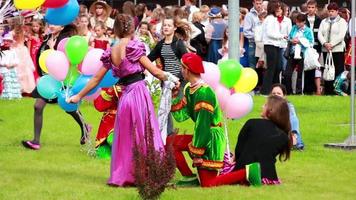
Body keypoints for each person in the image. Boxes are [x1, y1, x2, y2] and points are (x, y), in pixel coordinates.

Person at [68, 14, 179, 186]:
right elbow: (155, 72)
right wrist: (172, 79)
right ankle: (150, 173)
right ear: (131, 28)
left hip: (125, 97)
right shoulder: (134, 47)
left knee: (126, 139)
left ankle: (127, 175)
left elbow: (96, 79)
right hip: (138, 94)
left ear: (117, 30)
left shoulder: (111, 50)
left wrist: (78, 96)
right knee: (145, 134)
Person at [171, 52, 262, 187]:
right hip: (203, 136)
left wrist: (197, 152)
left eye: (182, 67)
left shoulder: (204, 93)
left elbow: (203, 125)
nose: (181, 70)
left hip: (211, 139)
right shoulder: (190, 89)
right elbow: (181, 116)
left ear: (187, 70)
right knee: (171, 143)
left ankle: (248, 172)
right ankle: (189, 177)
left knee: (209, 183)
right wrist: (174, 96)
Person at [22, 24, 91, 150]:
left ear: (62, 25)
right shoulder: (48, 37)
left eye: (56, 24)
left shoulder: (65, 39)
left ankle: (84, 126)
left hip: (62, 78)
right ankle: (36, 141)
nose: (52, 26)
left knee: (69, 107)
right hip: (49, 79)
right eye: (50, 23)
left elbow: (65, 60)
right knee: (38, 106)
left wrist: (53, 48)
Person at [232, 95, 292, 184]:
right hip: (268, 175)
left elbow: (239, 150)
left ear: (271, 110)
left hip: (242, 172)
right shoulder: (283, 137)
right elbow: (267, 155)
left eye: (265, 105)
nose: (262, 106)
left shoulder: (251, 123)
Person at [318, 2, 348, 95]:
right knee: (327, 70)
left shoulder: (342, 22)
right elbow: (320, 34)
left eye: (332, 11)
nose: (330, 13)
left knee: (338, 70)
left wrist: (332, 44)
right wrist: (325, 43)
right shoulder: (324, 21)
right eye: (329, 11)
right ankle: (328, 92)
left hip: (337, 50)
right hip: (326, 50)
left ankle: (337, 91)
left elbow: (341, 35)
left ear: (337, 11)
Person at [283, 13, 314, 95]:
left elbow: (311, 42)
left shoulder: (308, 30)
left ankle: (299, 92)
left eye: (300, 22)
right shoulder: (294, 28)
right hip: (292, 53)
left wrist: (300, 41)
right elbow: (290, 37)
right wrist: (290, 39)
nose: (298, 24)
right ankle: (288, 92)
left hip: (302, 54)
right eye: (297, 22)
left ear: (304, 22)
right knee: (287, 73)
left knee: (300, 75)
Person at [271, 83, 304, 150]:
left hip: (287, 132)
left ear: (284, 96)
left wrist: (294, 133)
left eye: (278, 93)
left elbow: (293, 119)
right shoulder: (267, 106)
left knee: (293, 119)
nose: (276, 95)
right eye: (274, 93)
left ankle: (295, 140)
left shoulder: (288, 106)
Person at [93, 86, 121, 159]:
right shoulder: (107, 85)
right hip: (108, 123)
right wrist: (110, 91)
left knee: (113, 139)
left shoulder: (134, 85)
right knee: (104, 154)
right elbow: (99, 106)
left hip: (125, 120)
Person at [305, 0, 322, 95]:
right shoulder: (303, 19)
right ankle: (306, 90)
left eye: (312, 7)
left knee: (314, 68)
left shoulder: (320, 20)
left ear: (316, 9)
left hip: (317, 48)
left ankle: (312, 90)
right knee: (307, 67)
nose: (310, 9)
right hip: (306, 48)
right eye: (309, 7)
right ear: (306, 8)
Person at [0, 33, 21, 99]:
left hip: (11, 69)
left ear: (11, 42)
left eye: (8, 41)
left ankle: (12, 95)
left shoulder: (13, 51)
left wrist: (12, 64)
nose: (6, 42)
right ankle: (4, 95)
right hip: (3, 69)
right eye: (5, 41)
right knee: (5, 82)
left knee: (11, 82)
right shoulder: (1, 51)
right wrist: (4, 64)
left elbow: (17, 60)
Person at [243, 0, 263, 68]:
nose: (259, 5)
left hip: (264, 43)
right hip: (253, 43)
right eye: (257, 3)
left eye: (260, 3)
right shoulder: (249, 15)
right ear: (253, 3)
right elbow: (246, 32)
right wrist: (257, 36)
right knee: (252, 64)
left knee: (264, 65)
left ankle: (261, 79)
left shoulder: (266, 13)